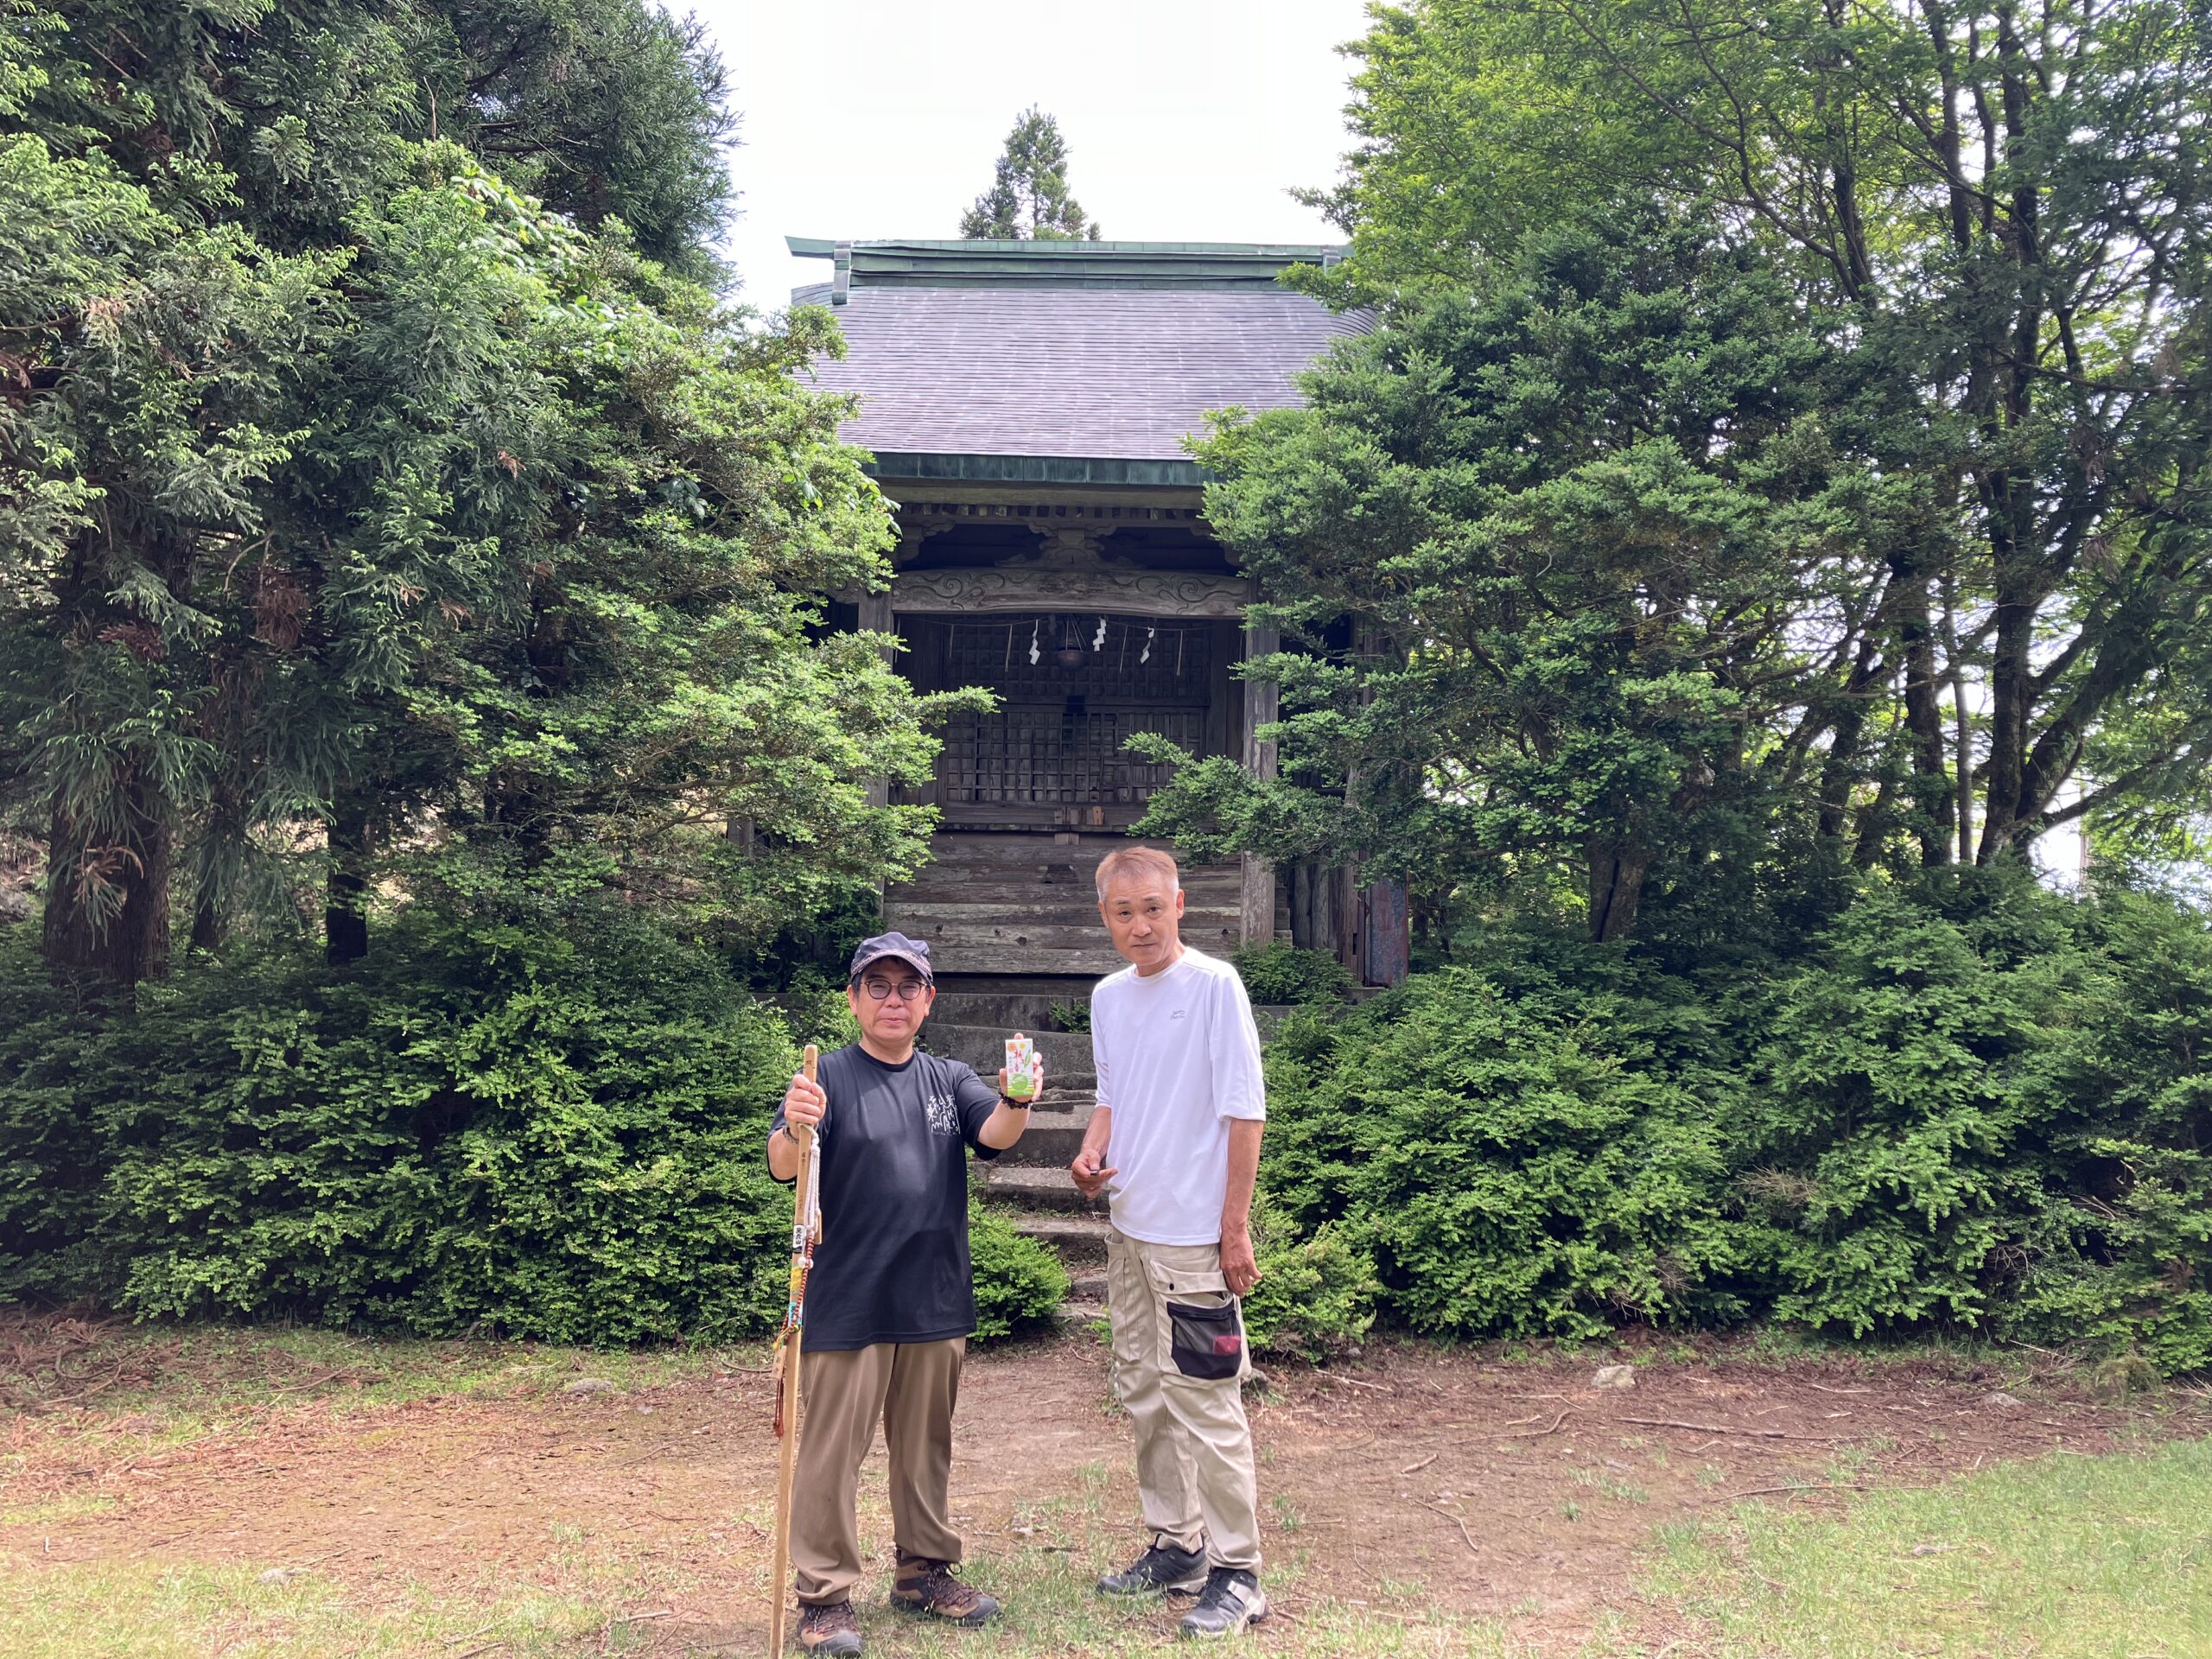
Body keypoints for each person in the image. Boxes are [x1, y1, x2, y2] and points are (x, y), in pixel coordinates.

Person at [770, 931, 1037, 1656]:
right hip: (848, 1296)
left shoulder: (949, 1079)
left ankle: (923, 1572)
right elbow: (783, 1166)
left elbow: (999, 1133)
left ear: (928, 1000)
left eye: (907, 987)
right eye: (877, 986)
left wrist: (1018, 1097)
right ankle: (823, 1597)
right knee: (830, 1454)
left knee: (925, 1450)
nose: (893, 999)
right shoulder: (824, 1077)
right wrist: (796, 1123)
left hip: (934, 1296)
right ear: (854, 998)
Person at [1071, 845, 1269, 1639]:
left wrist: (1233, 1226)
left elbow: (1244, 1112)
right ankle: (1176, 1544)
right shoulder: (1110, 997)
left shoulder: (1216, 986)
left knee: (1208, 1403)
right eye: (1124, 912)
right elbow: (1113, 1101)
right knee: (1146, 1394)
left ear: (1179, 904)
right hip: (1130, 1231)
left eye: (1153, 908)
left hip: (1193, 1241)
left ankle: (1238, 1570)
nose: (1140, 925)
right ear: (1105, 918)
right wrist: (1091, 1158)